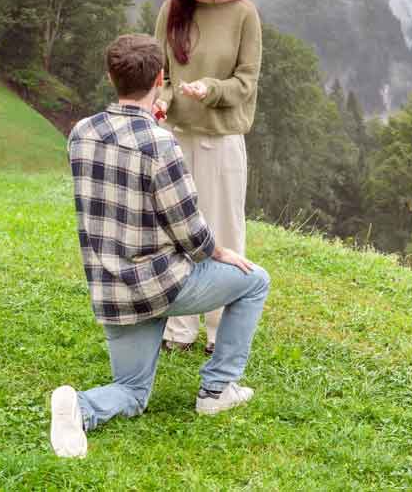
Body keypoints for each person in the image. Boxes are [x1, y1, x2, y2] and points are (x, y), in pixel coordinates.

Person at [50, 34, 270, 459]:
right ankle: (217, 389)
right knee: (255, 281)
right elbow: (187, 227)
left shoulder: (81, 133)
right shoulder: (159, 143)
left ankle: (81, 406)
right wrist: (218, 252)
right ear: (159, 79)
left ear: (110, 76)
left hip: (112, 291)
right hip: (164, 283)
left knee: (132, 392)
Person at [154, 0, 262, 355]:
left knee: (224, 232)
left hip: (221, 140)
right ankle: (180, 328)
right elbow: (160, 76)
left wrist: (211, 89)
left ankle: (219, 332)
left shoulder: (243, 14)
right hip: (176, 136)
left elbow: (246, 83)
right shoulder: (172, 11)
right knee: (177, 231)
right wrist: (161, 103)